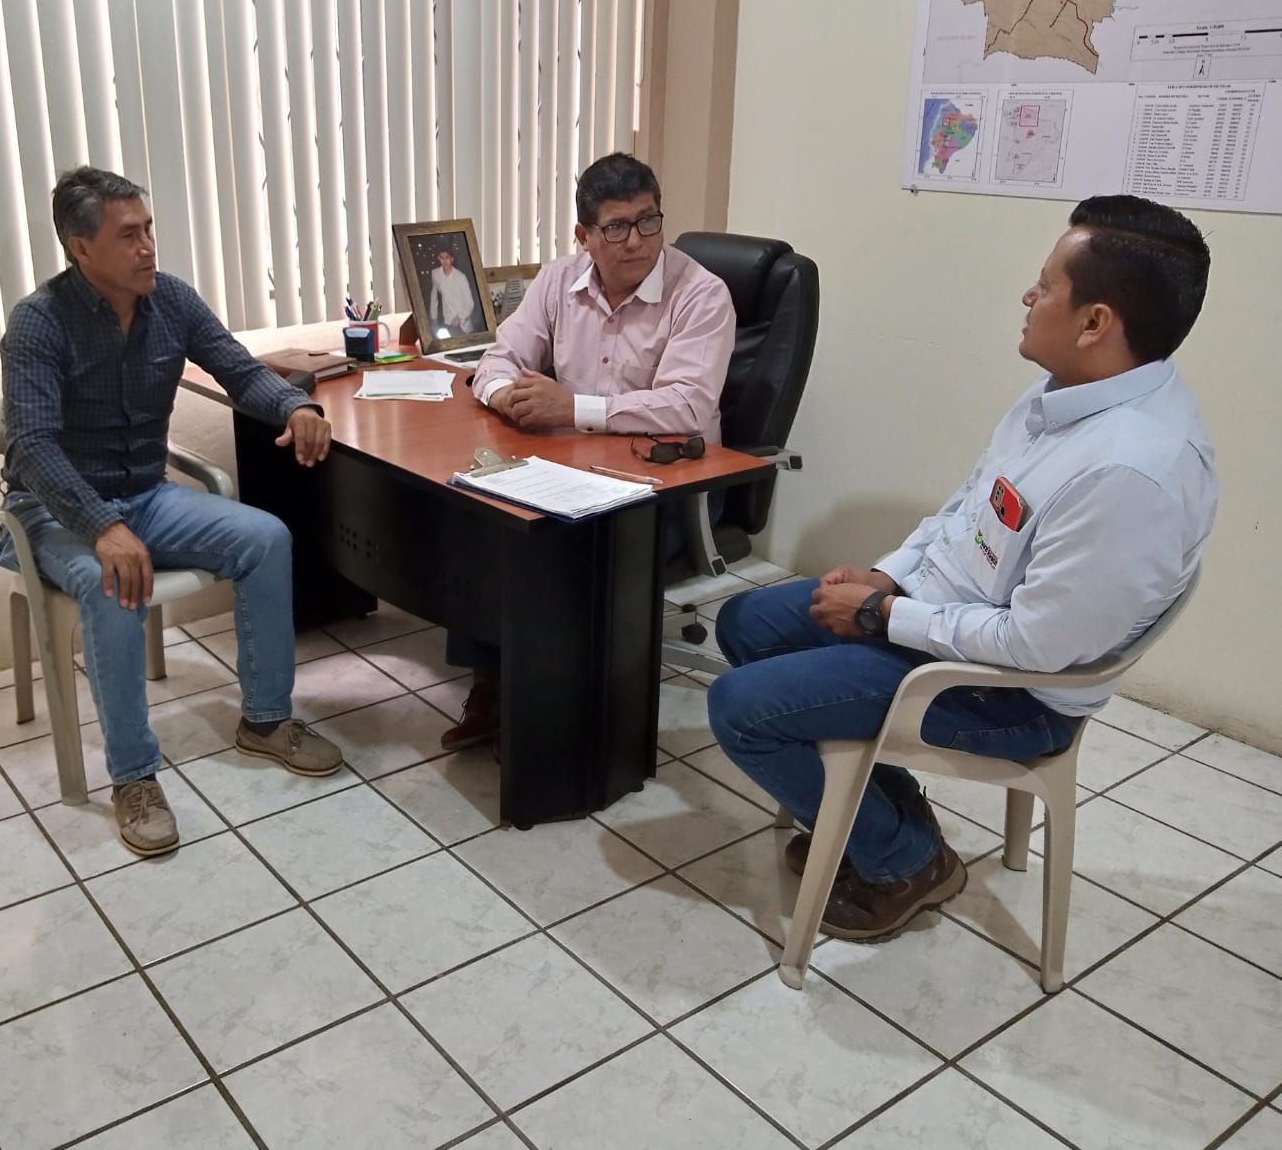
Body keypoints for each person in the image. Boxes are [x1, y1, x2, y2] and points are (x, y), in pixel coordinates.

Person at [706, 195, 1216, 939]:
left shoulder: (1130, 475)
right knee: (747, 621)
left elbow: (1036, 647)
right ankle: (882, 805)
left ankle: (905, 861)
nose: (1027, 296)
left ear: (1094, 323)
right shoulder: (1063, 395)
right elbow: (966, 509)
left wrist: (881, 616)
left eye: (1045, 285)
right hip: (948, 616)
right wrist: (889, 577)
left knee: (740, 710)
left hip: (1009, 693)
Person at [0, 166, 345, 858]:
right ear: (80, 247)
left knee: (266, 538)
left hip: (145, 497)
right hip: (53, 511)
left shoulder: (172, 300)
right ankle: (133, 777)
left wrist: (296, 406)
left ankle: (265, 721)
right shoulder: (38, 323)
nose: (148, 246)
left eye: (149, 228)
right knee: (112, 582)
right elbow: (31, 447)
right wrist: (102, 526)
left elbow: (240, 371)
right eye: (128, 235)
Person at [440, 151, 735, 752]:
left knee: (548, 548)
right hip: (570, 468)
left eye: (648, 220)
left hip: (663, 487)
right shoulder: (558, 281)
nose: (637, 241)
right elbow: (498, 358)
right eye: (617, 227)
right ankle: (494, 682)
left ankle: (563, 721)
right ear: (585, 236)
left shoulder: (702, 295)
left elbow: (689, 406)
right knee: (480, 518)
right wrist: (505, 395)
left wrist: (572, 408)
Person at [428, 248, 479, 334]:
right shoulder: (436, 274)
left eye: (447, 257)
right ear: (438, 258)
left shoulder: (460, 277)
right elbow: (434, 297)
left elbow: (470, 303)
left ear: (452, 259)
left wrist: (459, 317)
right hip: (447, 322)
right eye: (442, 258)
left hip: (463, 324)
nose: (445, 261)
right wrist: (434, 318)